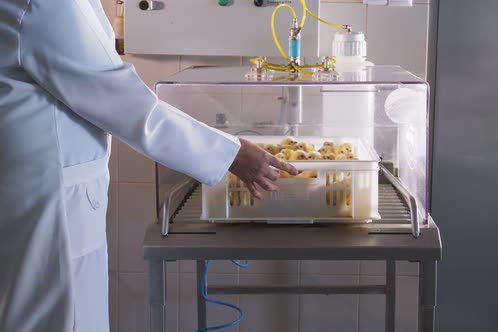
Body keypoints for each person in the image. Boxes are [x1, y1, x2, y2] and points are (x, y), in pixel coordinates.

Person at [0, 0, 298, 331]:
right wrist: (232, 154)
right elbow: (123, 102)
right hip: (48, 196)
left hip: (25, 187)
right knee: (61, 316)